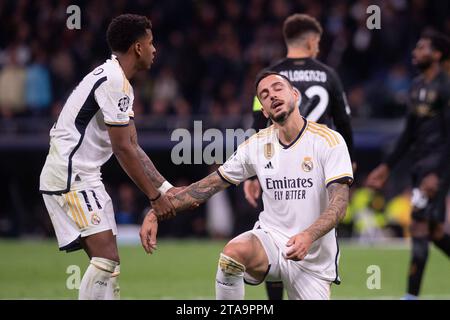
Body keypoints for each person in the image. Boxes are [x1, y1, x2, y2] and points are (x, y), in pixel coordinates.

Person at [141, 72, 353, 300]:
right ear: (263, 110)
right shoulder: (256, 145)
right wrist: (156, 212)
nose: (272, 95)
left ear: (294, 95)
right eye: (265, 94)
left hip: (313, 258)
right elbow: (206, 187)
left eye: (277, 88)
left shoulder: (329, 141)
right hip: (271, 240)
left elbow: (339, 205)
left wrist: (308, 236)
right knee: (233, 254)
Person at [39, 14, 178, 300]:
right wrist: (154, 197)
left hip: (84, 175)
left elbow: (134, 145)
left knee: (108, 266)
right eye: (151, 43)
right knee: (106, 259)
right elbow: (122, 149)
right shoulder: (114, 80)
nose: (155, 49)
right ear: (138, 47)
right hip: (71, 175)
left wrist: (166, 189)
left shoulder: (118, 81)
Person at [243, 14, 354, 299]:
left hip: (276, 163)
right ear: (312, 40)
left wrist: (253, 173)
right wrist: (347, 164)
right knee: (320, 224)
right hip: (320, 163)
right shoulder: (329, 74)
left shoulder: (270, 77)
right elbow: (344, 124)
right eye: (318, 42)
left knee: (275, 231)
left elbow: (257, 122)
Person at [366, 29, 450, 300]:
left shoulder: (447, 87)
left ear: (437, 54)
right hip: (419, 166)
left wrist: (437, 174)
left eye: (422, 47)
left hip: (436, 170)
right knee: (435, 232)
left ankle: (410, 296)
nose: (415, 52)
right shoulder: (416, 87)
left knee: (419, 226)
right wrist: (387, 166)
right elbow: (409, 133)